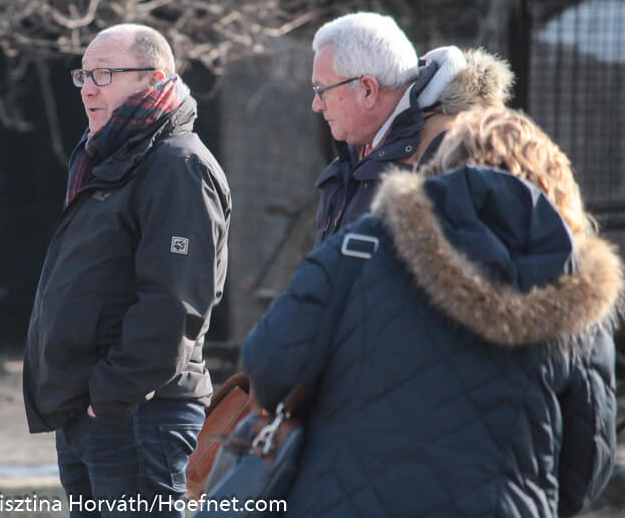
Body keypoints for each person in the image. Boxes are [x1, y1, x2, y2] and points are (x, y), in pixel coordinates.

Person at [241, 106, 622, 516]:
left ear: (442, 164)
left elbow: (269, 365)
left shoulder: (361, 246)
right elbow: (585, 471)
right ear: (557, 187)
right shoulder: (577, 294)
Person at [23, 24, 231, 515]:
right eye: (84, 75)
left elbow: (173, 304)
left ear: (153, 79)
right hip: (95, 416)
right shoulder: (113, 160)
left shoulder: (178, 166)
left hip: (139, 416)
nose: (88, 88)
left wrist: (111, 397)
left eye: (104, 74)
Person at [311, 11, 514, 246]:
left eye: (322, 90)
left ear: (368, 89)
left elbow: (471, 273)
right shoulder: (361, 150)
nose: (316, 104)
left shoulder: (453, 151)